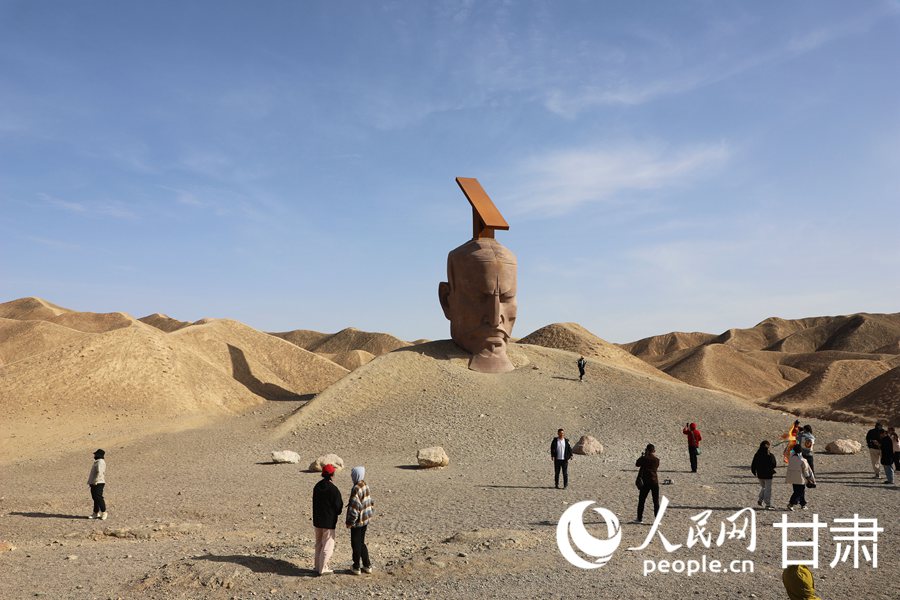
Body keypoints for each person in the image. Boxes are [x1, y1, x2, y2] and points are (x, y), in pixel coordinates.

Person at [312, 463, 343, 575]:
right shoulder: (333, 489)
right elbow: (338, 506)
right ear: (332, 474)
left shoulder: (317, 486)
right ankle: (323, 568)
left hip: (317, 521)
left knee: (319, 544)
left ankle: (317, 566)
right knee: (328, 545)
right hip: (329, 522)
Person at [345, 466, 375, 575]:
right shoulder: (365, 485)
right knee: (361, 542)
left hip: (358, 521)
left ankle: (356, 566)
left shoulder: (356, 488)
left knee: (356, 543)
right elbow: (370, 502)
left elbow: (354, 508)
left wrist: (350, 522)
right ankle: (367, 565)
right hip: (365, 519)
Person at [632, 444, 660, 524]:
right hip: (654, 481)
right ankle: (657, 519)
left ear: (647, 450)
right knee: (656, 501)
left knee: (642, 500)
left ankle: (639, 518)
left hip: (646, 482)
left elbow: (637, 464)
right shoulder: (656, 460)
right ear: (653, 451)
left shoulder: (644, 459)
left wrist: (642, 456)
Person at [786, 446, 815, 511]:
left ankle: (803, 504)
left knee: (799, 491)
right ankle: (791, 503)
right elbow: (806, 471)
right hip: (800, 478)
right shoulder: (802, 460)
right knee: (799, 492)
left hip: (793, 478)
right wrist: (808, 478)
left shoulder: (791, 458)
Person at [750, 440, 777, 510]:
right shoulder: (770, 455)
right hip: (768, 475)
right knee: (767, 489)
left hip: (760, 475)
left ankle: (760, 499)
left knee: (764, 487)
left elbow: (753, 464)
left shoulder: (757, 454)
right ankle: (768, 504)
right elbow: (774, 464)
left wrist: (754, 471)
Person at [87, 449, 108, 520]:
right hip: (94, 483)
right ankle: (95, 513)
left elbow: (100, 472)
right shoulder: (97, 462)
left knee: (99, 498)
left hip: (98, 482)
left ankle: (104, 512)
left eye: (95, 454)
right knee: (95, 498)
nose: (94, 455)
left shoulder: (100, 462)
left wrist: (95, 481)